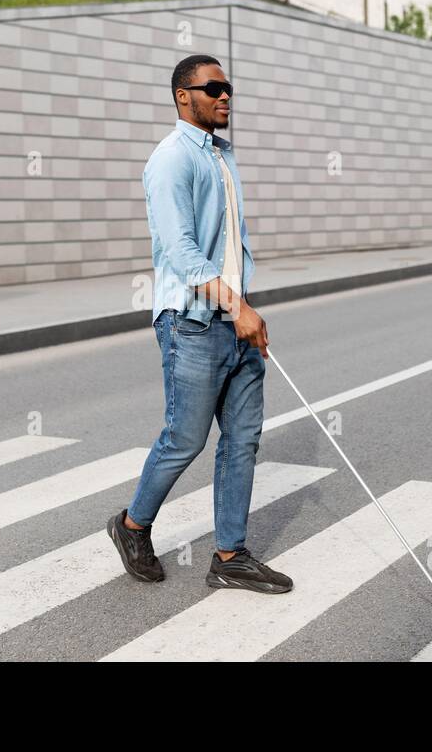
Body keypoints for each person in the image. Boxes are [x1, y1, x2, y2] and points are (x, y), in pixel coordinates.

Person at [106, 54, 293, 594]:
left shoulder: (220, 156)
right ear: (183, 96)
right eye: (213, 88)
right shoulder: (170, 160)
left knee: (242, 440)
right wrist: (238, 308)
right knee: (184, 439)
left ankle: (230, 555)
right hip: (192, 323)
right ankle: (132, 525)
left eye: (228, 87)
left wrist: (239, 307)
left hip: (232, 319)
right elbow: (182, 254)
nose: (225, 95)